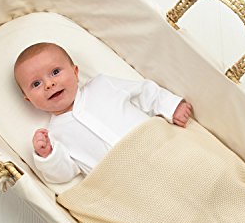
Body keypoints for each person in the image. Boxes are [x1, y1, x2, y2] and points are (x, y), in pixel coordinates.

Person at [14, 42, 194, 183]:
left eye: (55, 72)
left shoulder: (102, 86)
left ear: (75, 72)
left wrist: (171, 106)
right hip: (124, 181)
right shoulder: (54, 136)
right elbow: (65, 174)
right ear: (29, 99)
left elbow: (143, 92)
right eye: (36, 84)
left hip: (158, 147)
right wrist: (48, 157)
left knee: (191, 167)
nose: (49, 84)